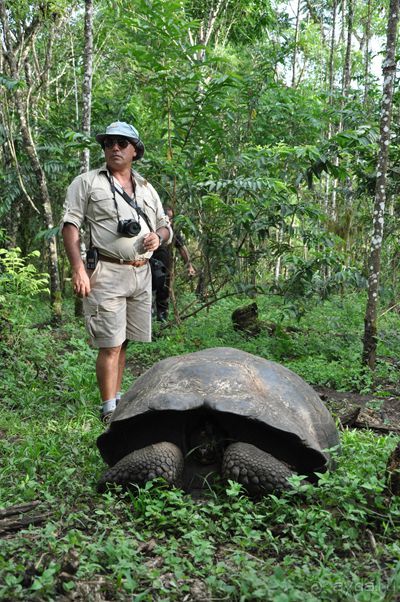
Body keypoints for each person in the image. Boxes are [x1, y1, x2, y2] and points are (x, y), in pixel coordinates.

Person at [62, 121, 172, 422]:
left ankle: (117, 395)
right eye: (109, 142)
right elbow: (70, 225)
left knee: (124, 341)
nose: (114, 148)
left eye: (122, 143)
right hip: (107, 271)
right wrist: (78, 269)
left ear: (135, 150)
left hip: (141, 272)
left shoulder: (147, 188)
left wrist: (157, 238)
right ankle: (108, 408)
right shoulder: (87, 182)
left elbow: (165, 225)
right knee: (109, 343)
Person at [152, 206, 196, 321]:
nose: (168, 221)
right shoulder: (150, 225)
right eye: (166, 217)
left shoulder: (172, 231)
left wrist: (189, 265)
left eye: (171, 219)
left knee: (163, 292)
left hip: (165, 268)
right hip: (147, 267)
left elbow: (182, 248)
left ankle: (162, 319)